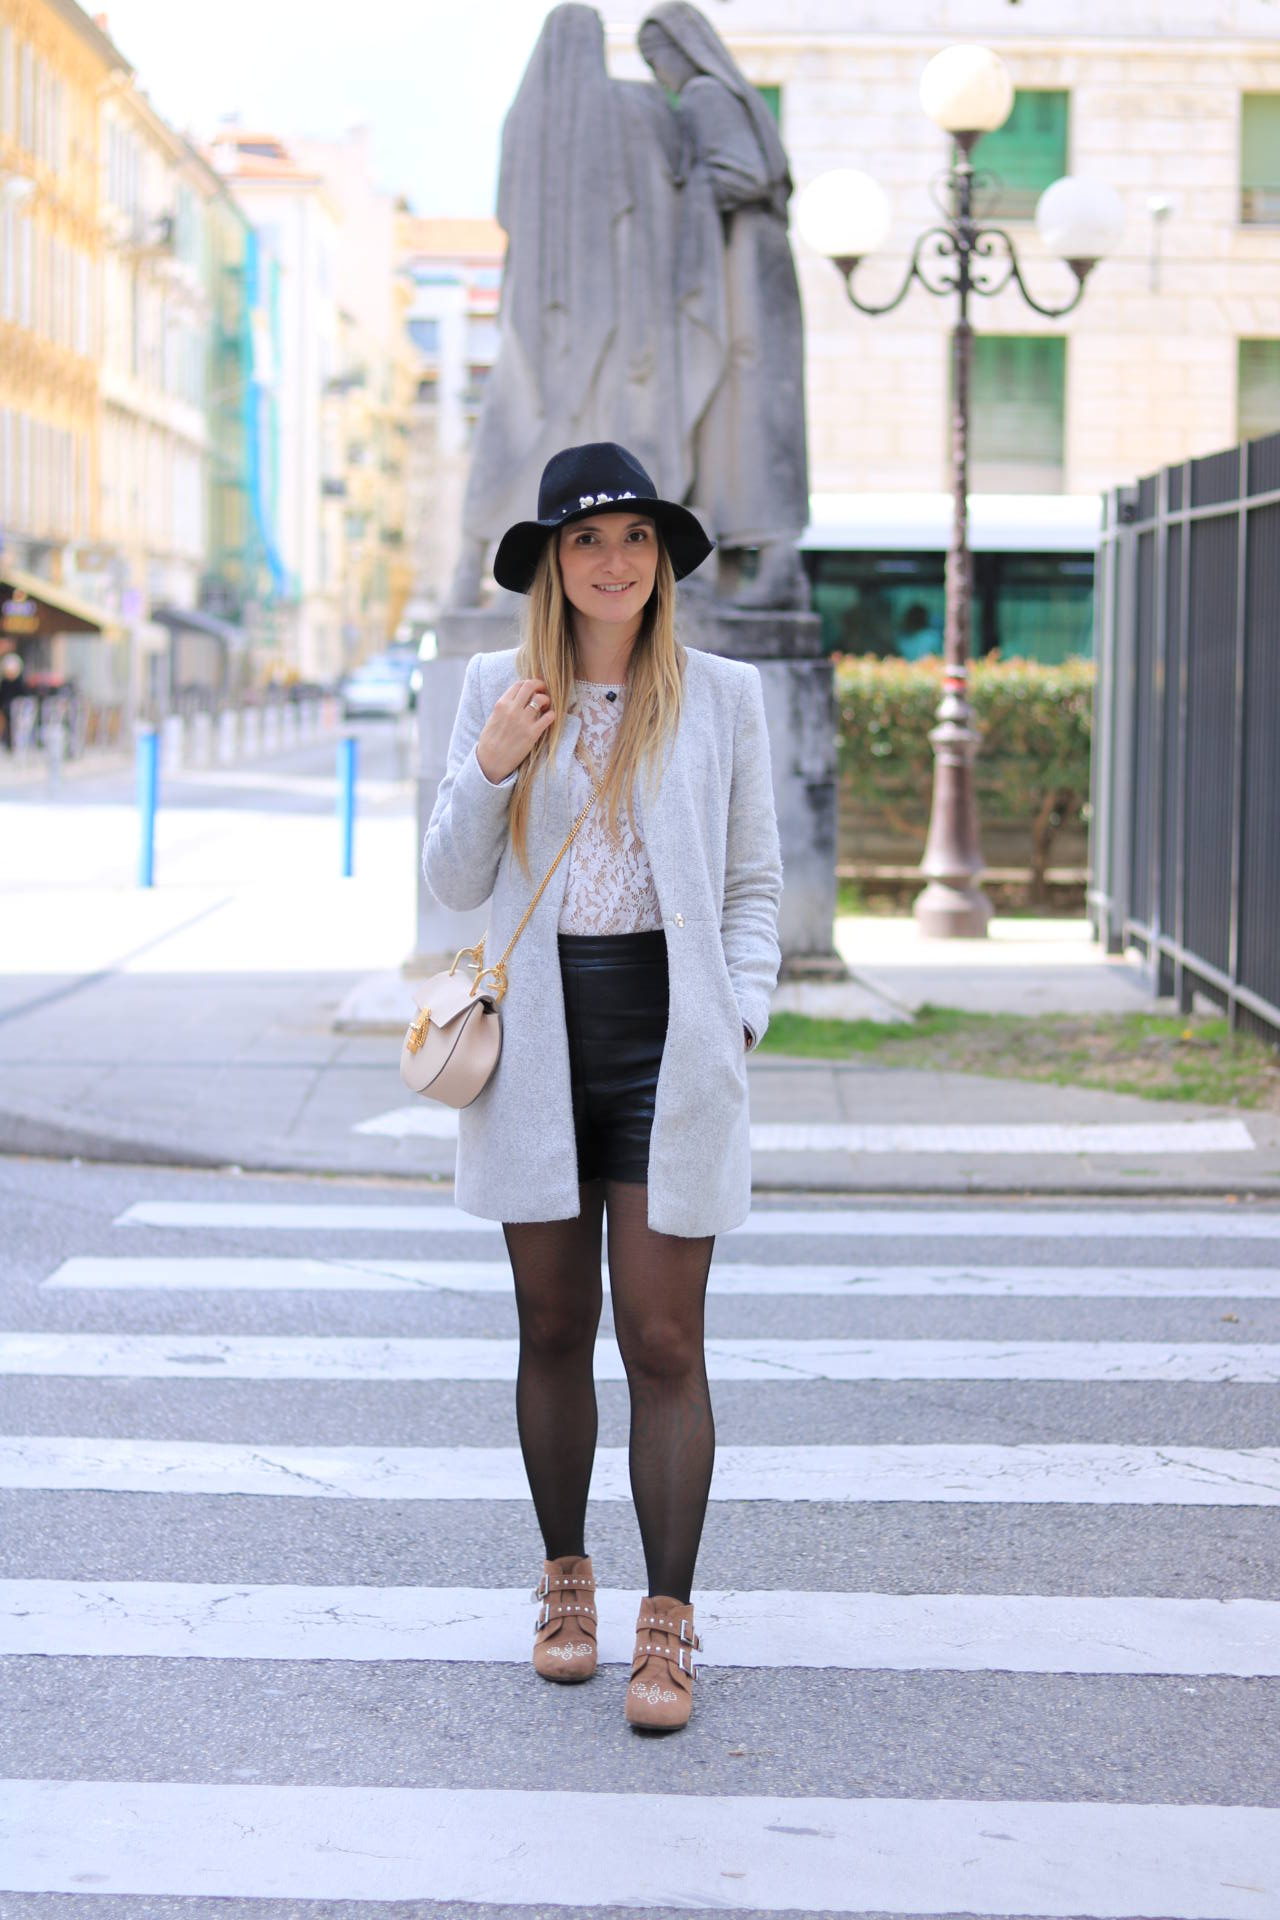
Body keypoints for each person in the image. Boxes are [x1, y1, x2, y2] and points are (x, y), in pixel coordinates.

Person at [424, 441, 782, 1731]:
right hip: (535, 1043)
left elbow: (751, 884)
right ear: (551, 564)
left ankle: (666, 1624)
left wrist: (738, 1013)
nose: (612, 561)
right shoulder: (495, 688)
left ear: (659, 560)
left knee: (665, 1340)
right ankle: (564, 1584)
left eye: (632, 537)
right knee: (551, 1327)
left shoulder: (722, 695)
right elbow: (451, 882)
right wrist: (493, 763)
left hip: (669, 1041)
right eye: (585, 540)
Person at [639, 3, 810, 609]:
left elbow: (743, 177)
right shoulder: (725, 96)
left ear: (684, 49)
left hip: (740, 268)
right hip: (750, 261)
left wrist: (673, 190)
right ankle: (739, 566)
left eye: (659, 58)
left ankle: (778, 564)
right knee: (739, 422)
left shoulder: (706, 96)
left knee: (748, 417)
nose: (659, 74)